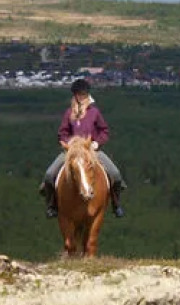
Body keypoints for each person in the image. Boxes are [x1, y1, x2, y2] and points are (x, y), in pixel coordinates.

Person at [39, 77, 125, 219]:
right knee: (49, 175)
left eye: (84, 94)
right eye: (80, 94)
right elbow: (62, 133)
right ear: (75, 95)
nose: (82, 97)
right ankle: (52, 205)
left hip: (91, 151)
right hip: (72, 152)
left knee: (115, 174)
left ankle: (116, 204)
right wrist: (67, 143)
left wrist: (97, 143)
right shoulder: (69, 113)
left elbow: (104, 131)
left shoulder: (94, 112)